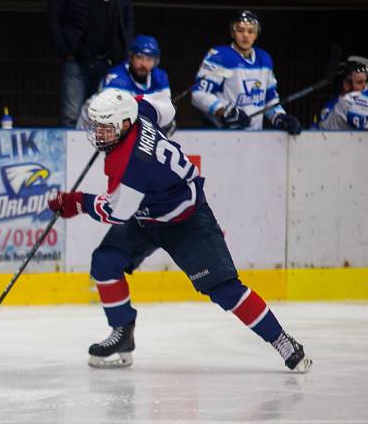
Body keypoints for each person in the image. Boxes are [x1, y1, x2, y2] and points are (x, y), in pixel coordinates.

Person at [48, 87, 312, 372]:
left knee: (225, 289)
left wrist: (77, 203)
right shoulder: (140, 109)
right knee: (105, 262)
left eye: (105, 128)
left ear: (125, 124)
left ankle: (282, 341)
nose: (98, 134)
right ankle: (122, 335)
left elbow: (117, 212)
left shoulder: (130, 164)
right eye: (97, 126)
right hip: (147, 215)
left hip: (186, 220)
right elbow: (165, 105)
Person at [47, 0, 134, 128]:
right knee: (71, 115)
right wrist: (65, 49)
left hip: (108, 63)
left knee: (103, 116)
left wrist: (123, 52)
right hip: (76, 62)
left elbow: (128, 21)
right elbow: (53, 17)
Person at [191, 10, 301, 135]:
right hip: (222, 135)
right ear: (232, 33)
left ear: (256, 34)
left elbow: (269, 99)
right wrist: (224, 111)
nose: (245, 35)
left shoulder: (264, 59)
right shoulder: (220, 56)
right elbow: (198, 94)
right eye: (240, 30)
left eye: (250, 31)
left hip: (254, 137)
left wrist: (280, 117)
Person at [314, 58, 368, 130]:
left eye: (366, 82)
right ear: (346, 85)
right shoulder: (331, 107)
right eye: (360, 82)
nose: (365, 87)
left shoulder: (366, 101)